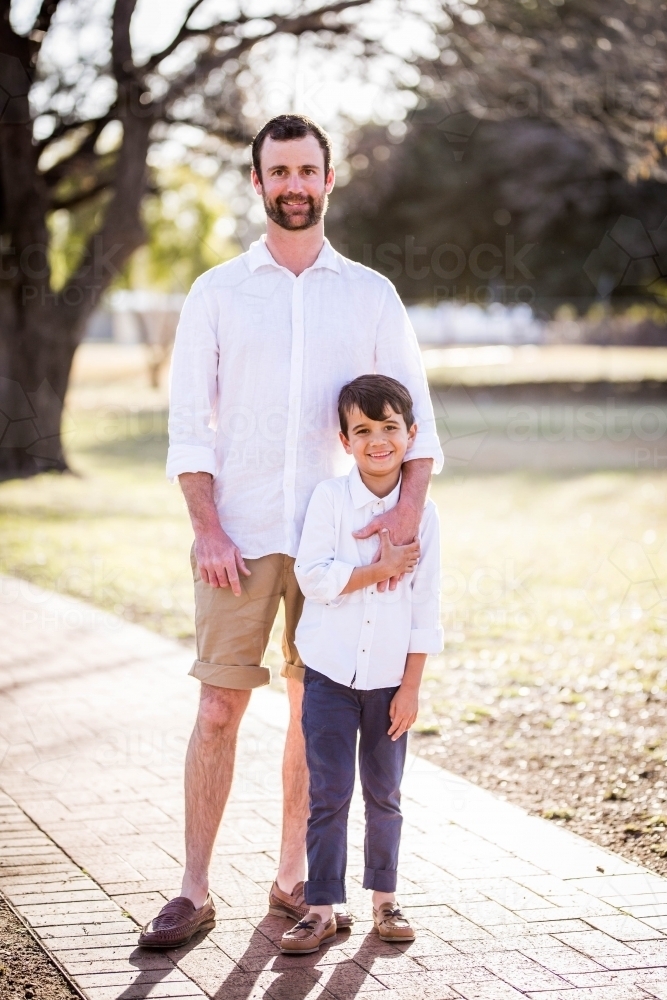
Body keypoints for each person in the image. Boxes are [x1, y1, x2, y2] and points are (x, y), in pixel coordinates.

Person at [138, 114, 443, 949]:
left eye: (308, 170)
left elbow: (420, 428)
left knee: (316, 713)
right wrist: (205, 527)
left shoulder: (369, 294)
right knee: (216, 710)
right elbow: (189, 429)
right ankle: (193, 888)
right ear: (257, 182)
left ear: (329, 178)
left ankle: (290, 879)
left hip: (337, 542)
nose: (295, 185)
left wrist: (401, 521)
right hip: (236, 536)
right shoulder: (217, 293)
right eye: (280, 173)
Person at [279, 374, 443, 955]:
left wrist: (412, 688)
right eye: (363, 430)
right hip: (328, 674)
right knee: (329, 791)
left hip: (388, 683)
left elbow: (426, 606)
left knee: (385, 793)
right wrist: (379, 567)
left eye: (390, 428)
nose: (378, 440)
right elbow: (315, 578)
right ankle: (320, 908)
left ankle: (385, 902)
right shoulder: (329, 499)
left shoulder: (424, 515)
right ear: (344, 439)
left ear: (411, 434)